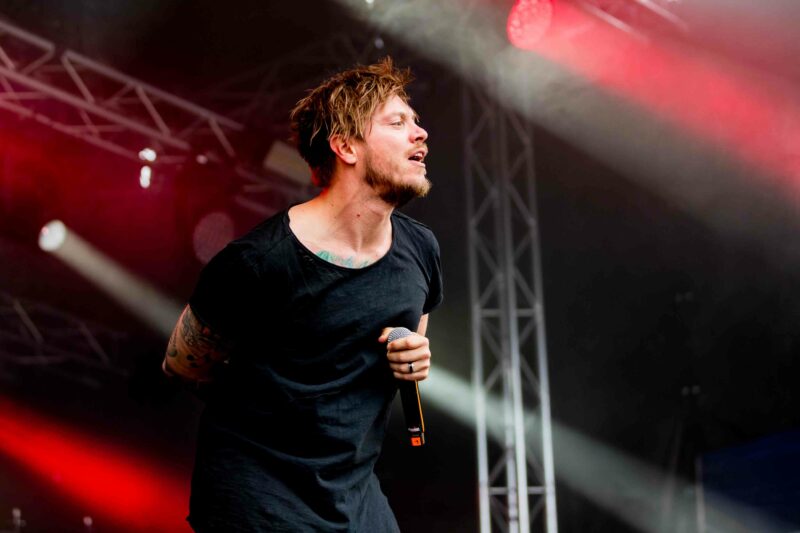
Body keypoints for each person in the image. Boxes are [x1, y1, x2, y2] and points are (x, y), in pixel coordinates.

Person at [162, 57, 443, 532]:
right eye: (398, 123)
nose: (421, 133)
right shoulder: (258, 261)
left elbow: (410, 334)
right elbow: (183, 365)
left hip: (354, 495)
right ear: (345, 146)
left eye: (415, 121)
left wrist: (413, 356)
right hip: (258, 497)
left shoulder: (421, 249)